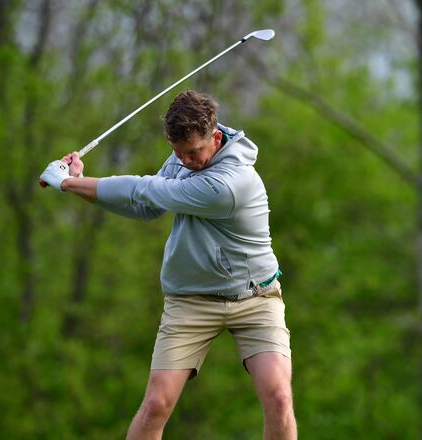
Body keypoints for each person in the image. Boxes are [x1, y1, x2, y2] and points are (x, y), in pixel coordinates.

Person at [40, 90, 296, 440]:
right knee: (155, 406)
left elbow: (146, 191)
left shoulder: (230, 184)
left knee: (279, 398)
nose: (186, 160)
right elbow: (146, 207)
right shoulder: (183, 160)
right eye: (178, 153)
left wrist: (68, 182)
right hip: (190, 302)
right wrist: (80, 182)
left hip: (256, 299)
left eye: (194, 152)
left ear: (216, 137)